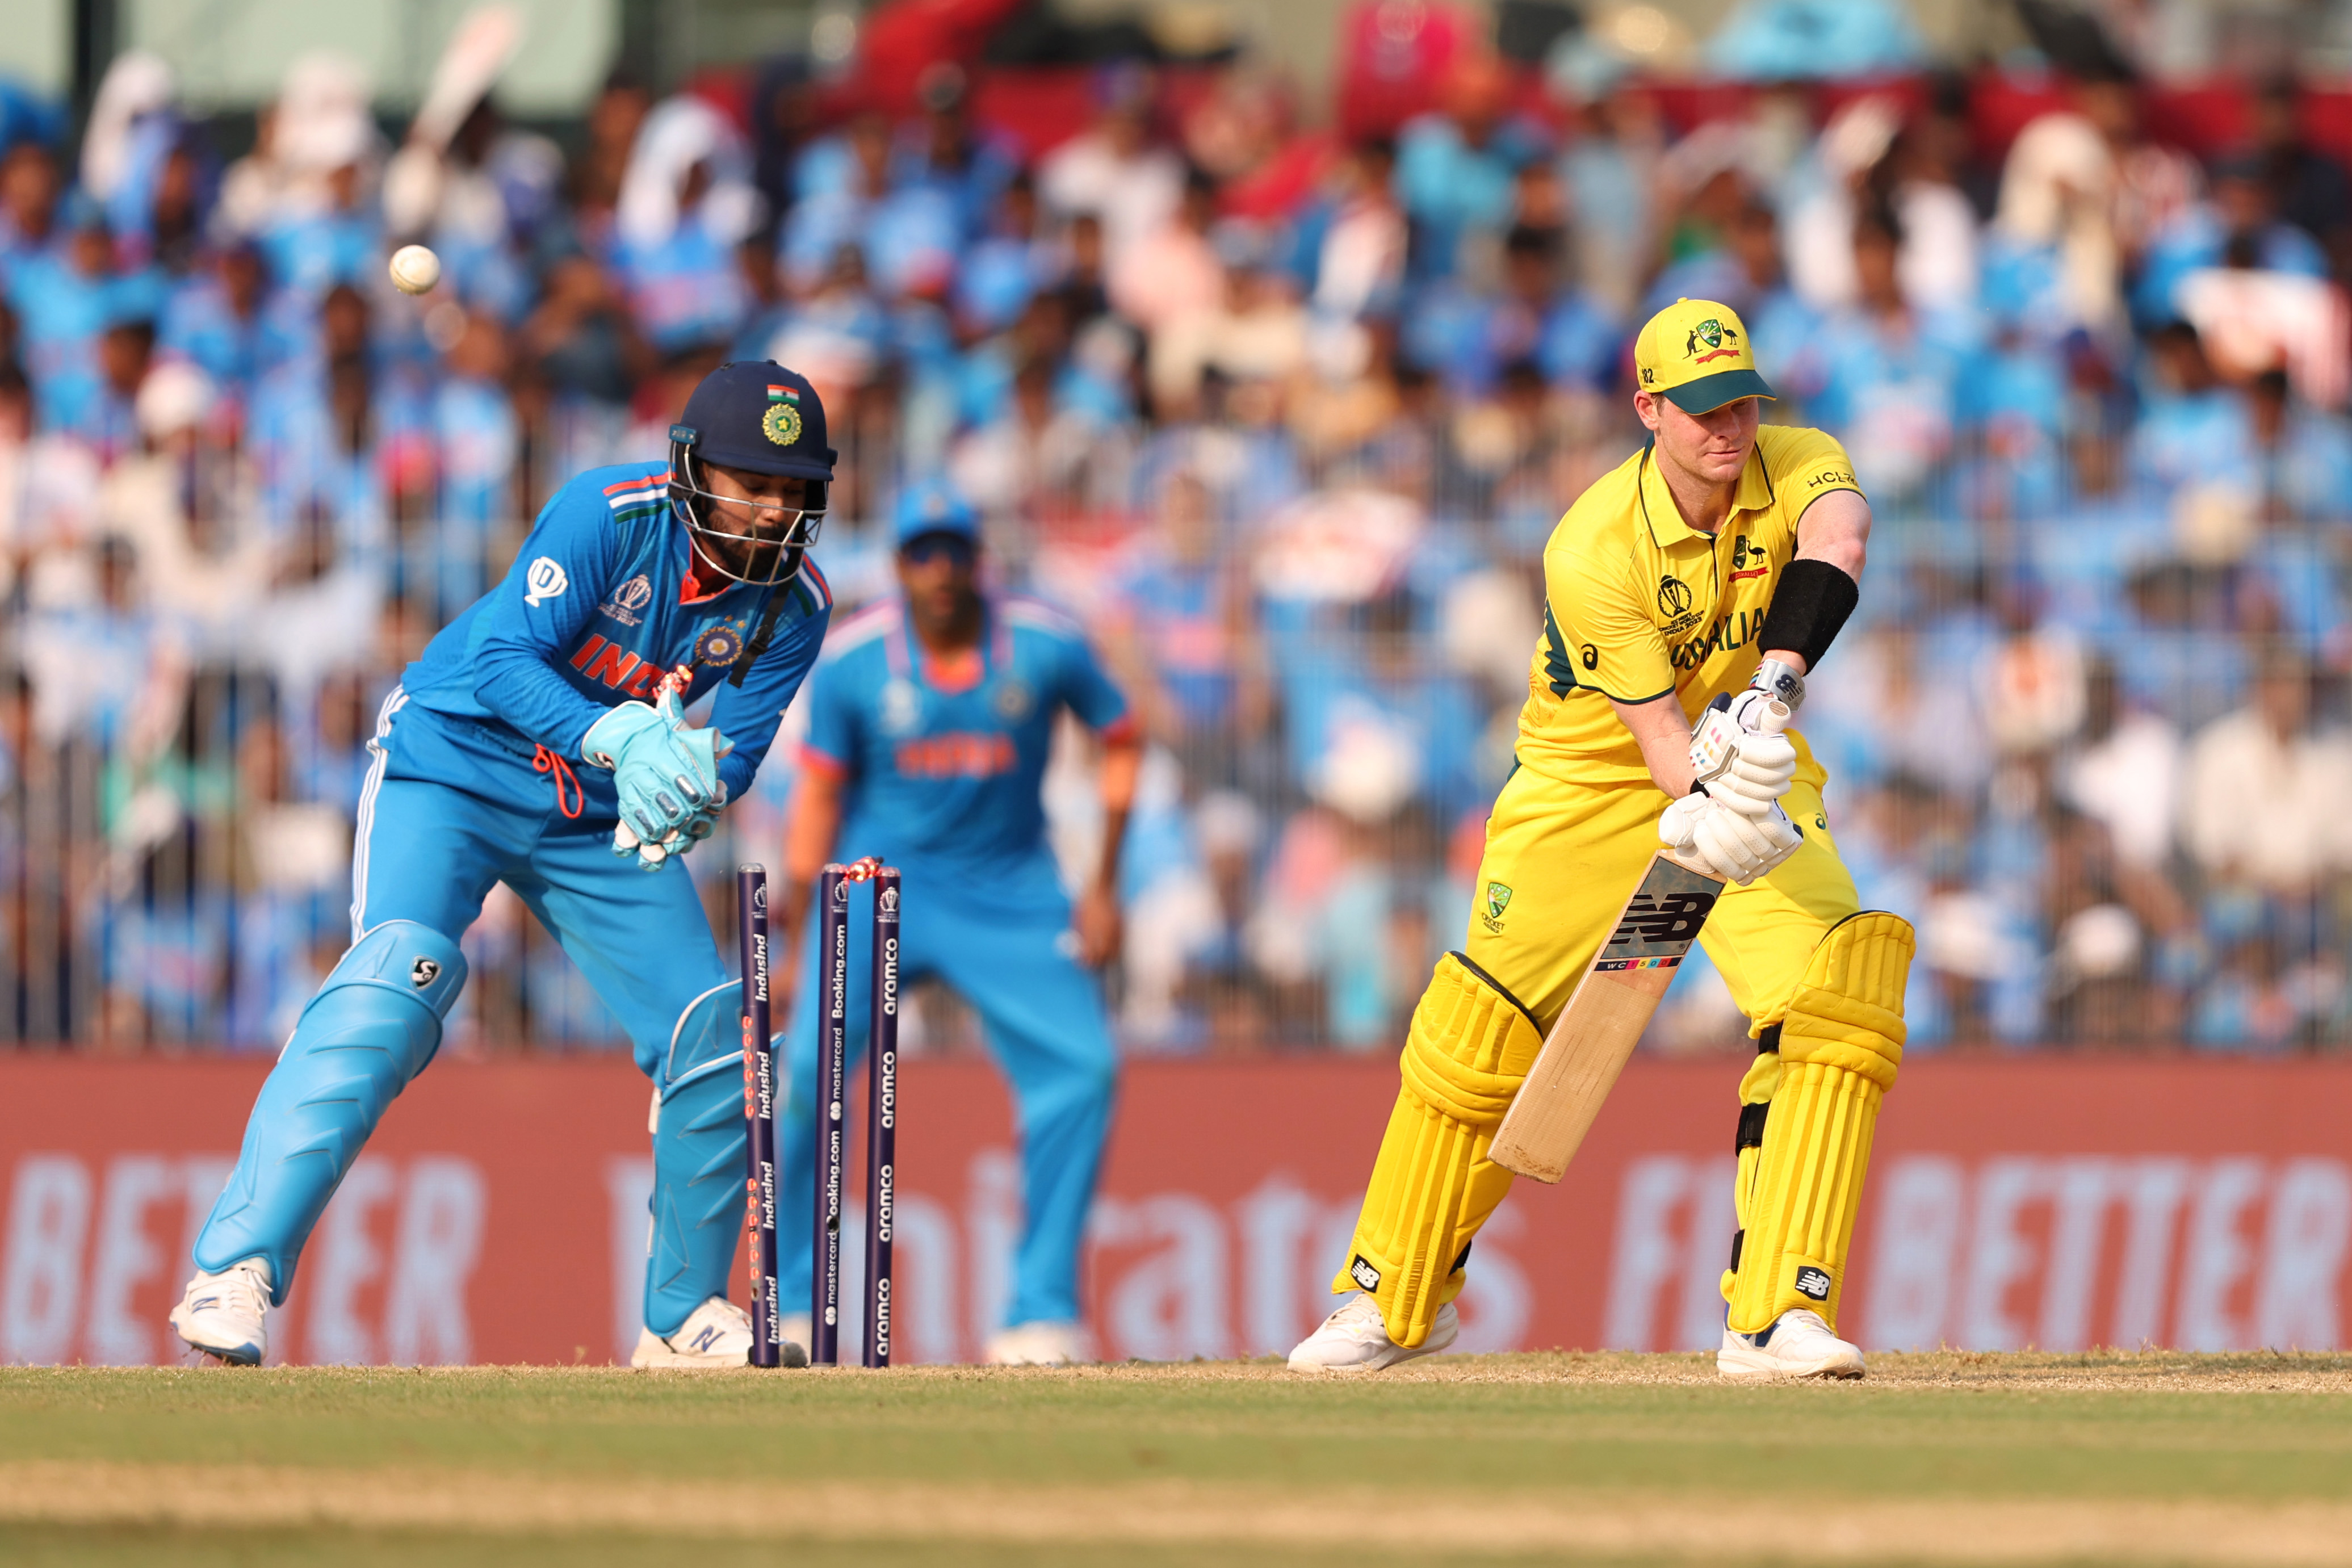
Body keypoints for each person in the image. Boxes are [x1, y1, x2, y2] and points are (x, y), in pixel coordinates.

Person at [169, 360, 838, 1369]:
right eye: (753, 484)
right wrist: (621, 736)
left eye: (794, 491)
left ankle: (683, 1318)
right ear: (693, 467)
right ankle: (234, 1272)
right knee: (399, 977)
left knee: (714, 1034)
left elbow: (733, 756)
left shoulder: (796, 607)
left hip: (597, 813)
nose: (774, 513)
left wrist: (693, 788)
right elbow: (498, 662)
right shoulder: (609, 514)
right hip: (456, 758)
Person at [1289, 299, 1913, 1380]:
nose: (1730, 426)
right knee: (1478, 1037)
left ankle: (1776, 1316)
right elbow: (1662, 745)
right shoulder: (1591, 545)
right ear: (1649, 408)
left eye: (1743, 402)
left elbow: (1839, 540)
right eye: (1705, 407)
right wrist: (1718, 789)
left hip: (1755, 761)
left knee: (1837, 992)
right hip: (1590, 783)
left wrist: (1772, 697)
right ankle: (1389, 1296)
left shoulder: (1802, 458)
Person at [773, 480, 1140, 1365]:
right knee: (801, 1080)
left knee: (1084, 1067)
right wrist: (796, 937)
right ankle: (789, 1306)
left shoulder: (1045, 643)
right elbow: (818, 798)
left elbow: (1121, 737)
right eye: (921, 553)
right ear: (900, 566)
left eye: (953, 551)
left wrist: (1101, 887)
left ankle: (1040, 1309)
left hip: (1014, 890)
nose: (939, 571)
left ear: (980, 560)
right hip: (875, 886)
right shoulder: (856, 662)